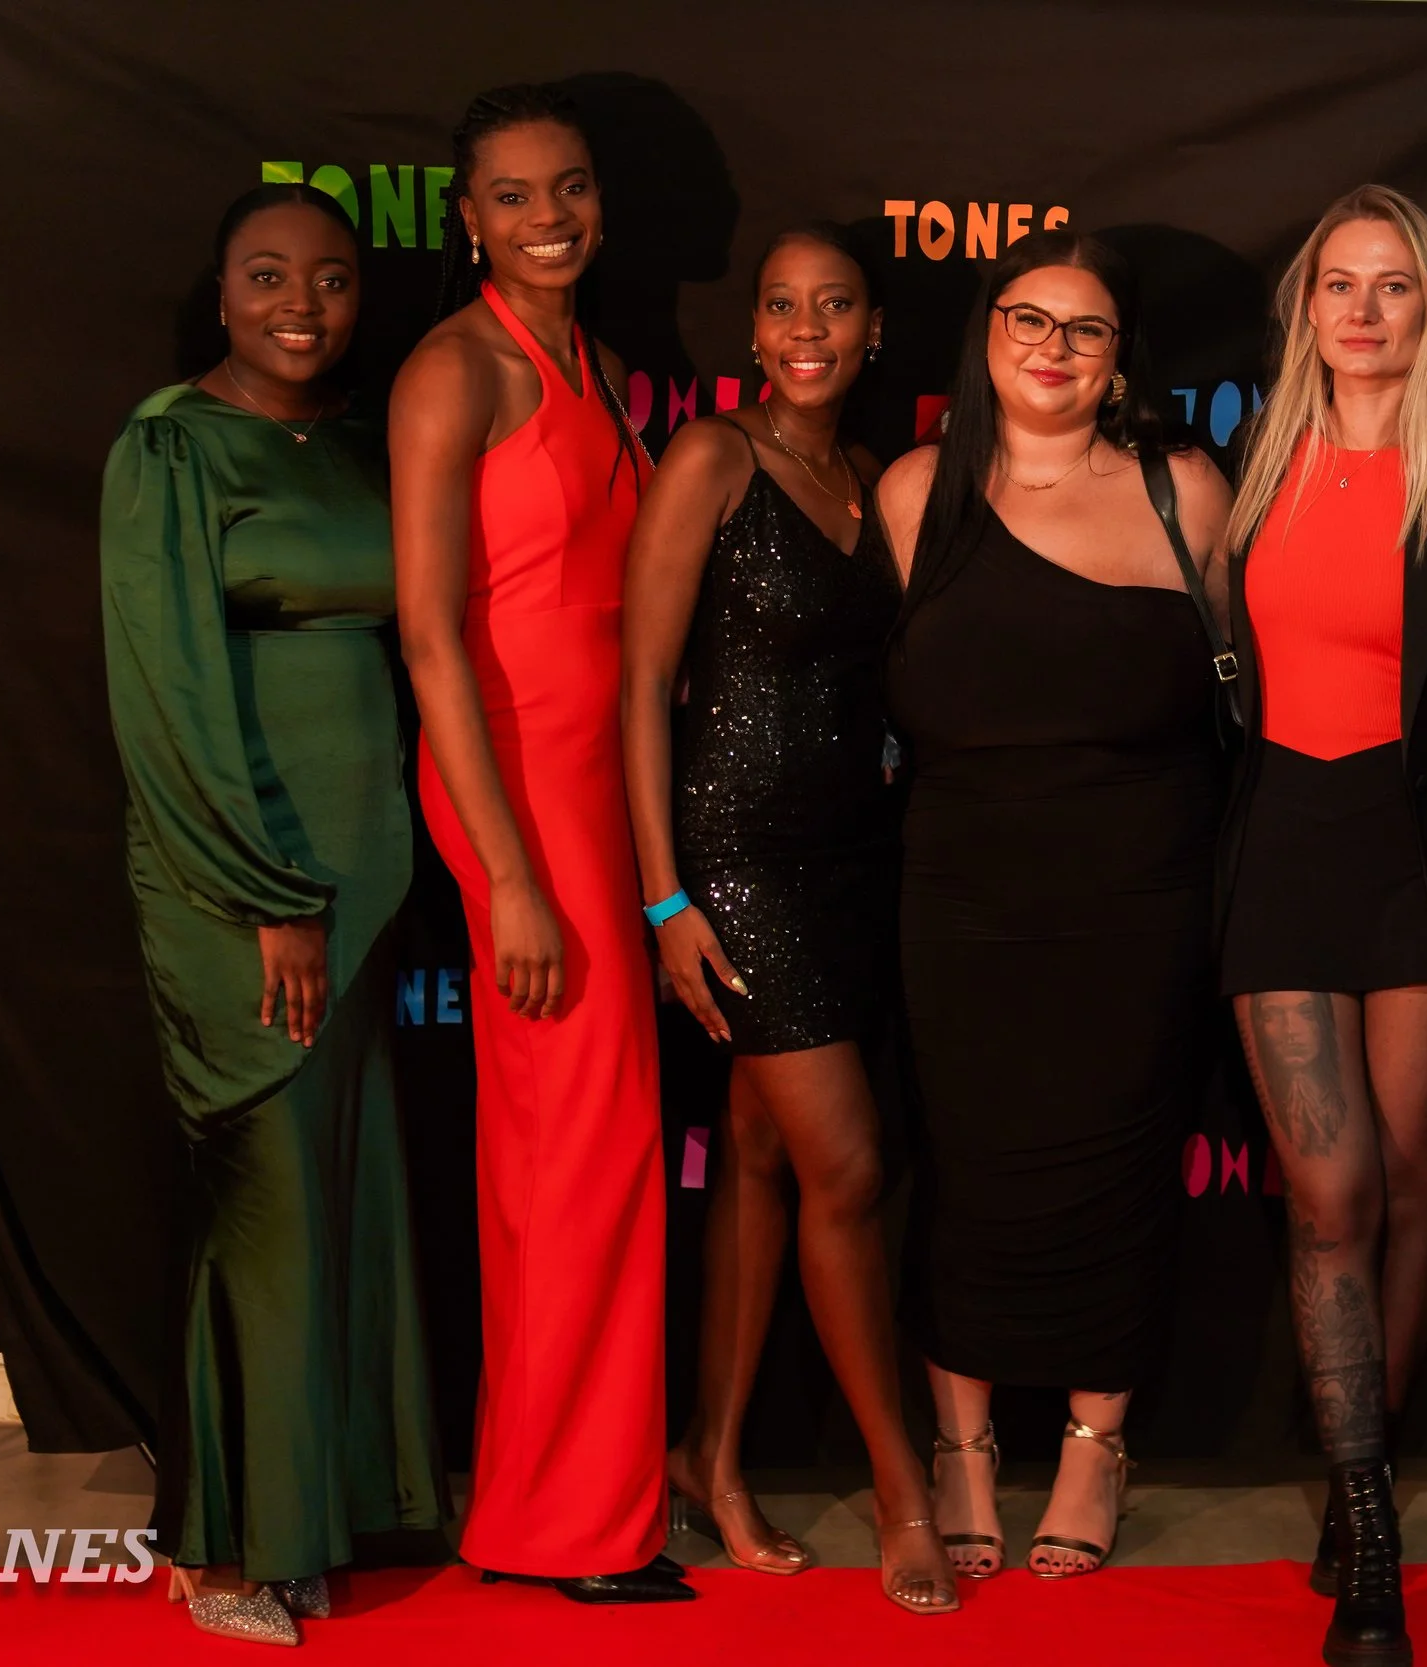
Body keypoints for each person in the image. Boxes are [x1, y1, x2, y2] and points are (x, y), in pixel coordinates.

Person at [101, 183, 446, 1647]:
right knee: (269, 1214)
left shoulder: (367, 444)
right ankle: (227, 1541)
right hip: (239, 884)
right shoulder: (170, 444)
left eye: (331, 277)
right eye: (266, 275)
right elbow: (167, 694)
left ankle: (326, 1508)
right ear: (221, 289)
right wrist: (265, 897)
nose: (302, 303)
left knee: (341, 1195)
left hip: (366, 881)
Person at [875, 229, 1233, 1583]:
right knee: (966, 1164)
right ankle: (961, 1445)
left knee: (1122, 1162)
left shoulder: (1180, 487)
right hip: (960, 892)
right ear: (986, 332)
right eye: (1028, 318)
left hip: (1141, 894)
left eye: (1085, 329)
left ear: (1120, 357)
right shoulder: (917, 491)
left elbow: (1252, 686)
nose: (1052, 348)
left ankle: (1096, 1439)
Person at [1219, 184, 1427, 1667]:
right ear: (1306, 309)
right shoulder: (1254, 464)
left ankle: (1369, 1518)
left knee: (1407, 1177)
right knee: (1330, 1191)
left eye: (1393, 286)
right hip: (1288, 847)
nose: (1361, 309)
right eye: (1337, 283)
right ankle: (1364, 1498)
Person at [620, 223, 954, 1615]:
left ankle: (711, 1450)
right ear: (752, 332)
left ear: (874, 331)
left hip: (851, 860)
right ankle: (903, 1486)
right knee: (852, 1166)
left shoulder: (873, 480)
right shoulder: (712, 459)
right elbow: (638, 687)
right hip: (737, 863)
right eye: (780, 306)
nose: (806, 327)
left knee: (760, 1156)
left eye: (834, 306)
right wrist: (665, 894)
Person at [390, 84, 687, 1604]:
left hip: (592, 783)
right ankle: (555, 1527)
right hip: (516, 789)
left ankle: (568, 1501)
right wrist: (503, 867)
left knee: (585, 1151)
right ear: (467, 217)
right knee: (577, 1151)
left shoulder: (609, 372)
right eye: (510, 195)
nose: (547, 217)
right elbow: (433, 638)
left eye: (566, 188)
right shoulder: (455, 373)